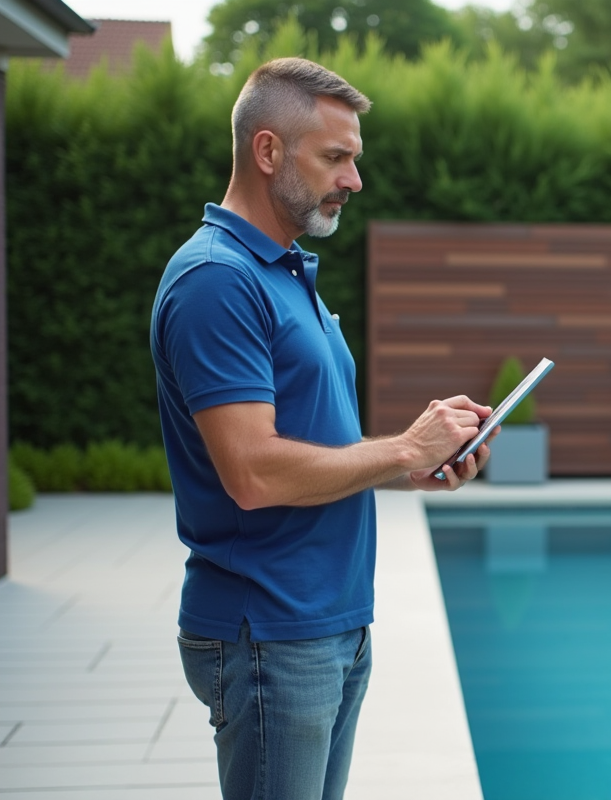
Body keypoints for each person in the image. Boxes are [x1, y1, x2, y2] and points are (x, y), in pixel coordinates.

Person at [149, 57, 492, 800]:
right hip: (269, 629)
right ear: (268, 151)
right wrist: (401, 444)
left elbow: (305, 446)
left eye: (355, 159)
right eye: (336, 157)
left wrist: (409, 466)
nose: (354, 180)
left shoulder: (283, 271)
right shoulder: (218, 279)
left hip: (326, 621)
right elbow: (253, 472)